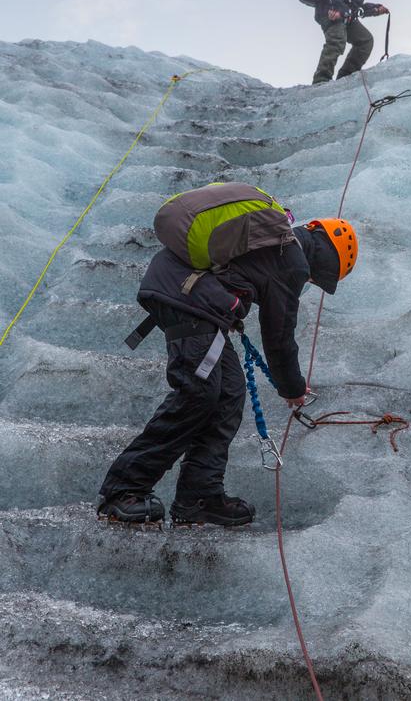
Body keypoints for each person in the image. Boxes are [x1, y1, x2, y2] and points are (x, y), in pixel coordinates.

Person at [96, 216, 358, 527]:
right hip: (189, 298)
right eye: (319, 278)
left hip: (188, 296)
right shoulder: (293, 260)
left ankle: (199, 497)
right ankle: (123, 489)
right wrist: (293, 389)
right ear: (326, 259)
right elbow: (279, 336)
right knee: (198, 393)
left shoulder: (279, 244)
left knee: (229, 393)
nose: (311, 282)